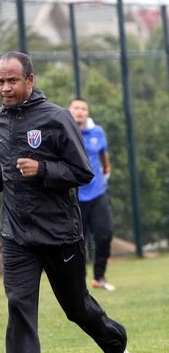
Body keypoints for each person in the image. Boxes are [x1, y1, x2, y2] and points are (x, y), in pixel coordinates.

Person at [0, 51, 133, 353]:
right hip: (17, 236)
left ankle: (114, 343)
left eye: (13, 80)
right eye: (0, 81)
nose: (6, 87)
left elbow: (82, 172)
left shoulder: (57, 117)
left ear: (30, 80)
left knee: (75, 307)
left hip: (60, 233)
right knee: (20, 307)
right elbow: (14, 168)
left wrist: (43, 169)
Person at [68, 98, 115, 291]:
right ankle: (78, 285)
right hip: (73, 196)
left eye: (83, 109)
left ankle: (100, 277)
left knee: (104, 234)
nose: (80, 112)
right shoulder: (64, 130)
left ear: (87, 112)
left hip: (97, 193)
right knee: (76, 243)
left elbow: (104, 153)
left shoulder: (98, 132)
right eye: (76, 108)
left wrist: (105, 167)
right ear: (69, 111)